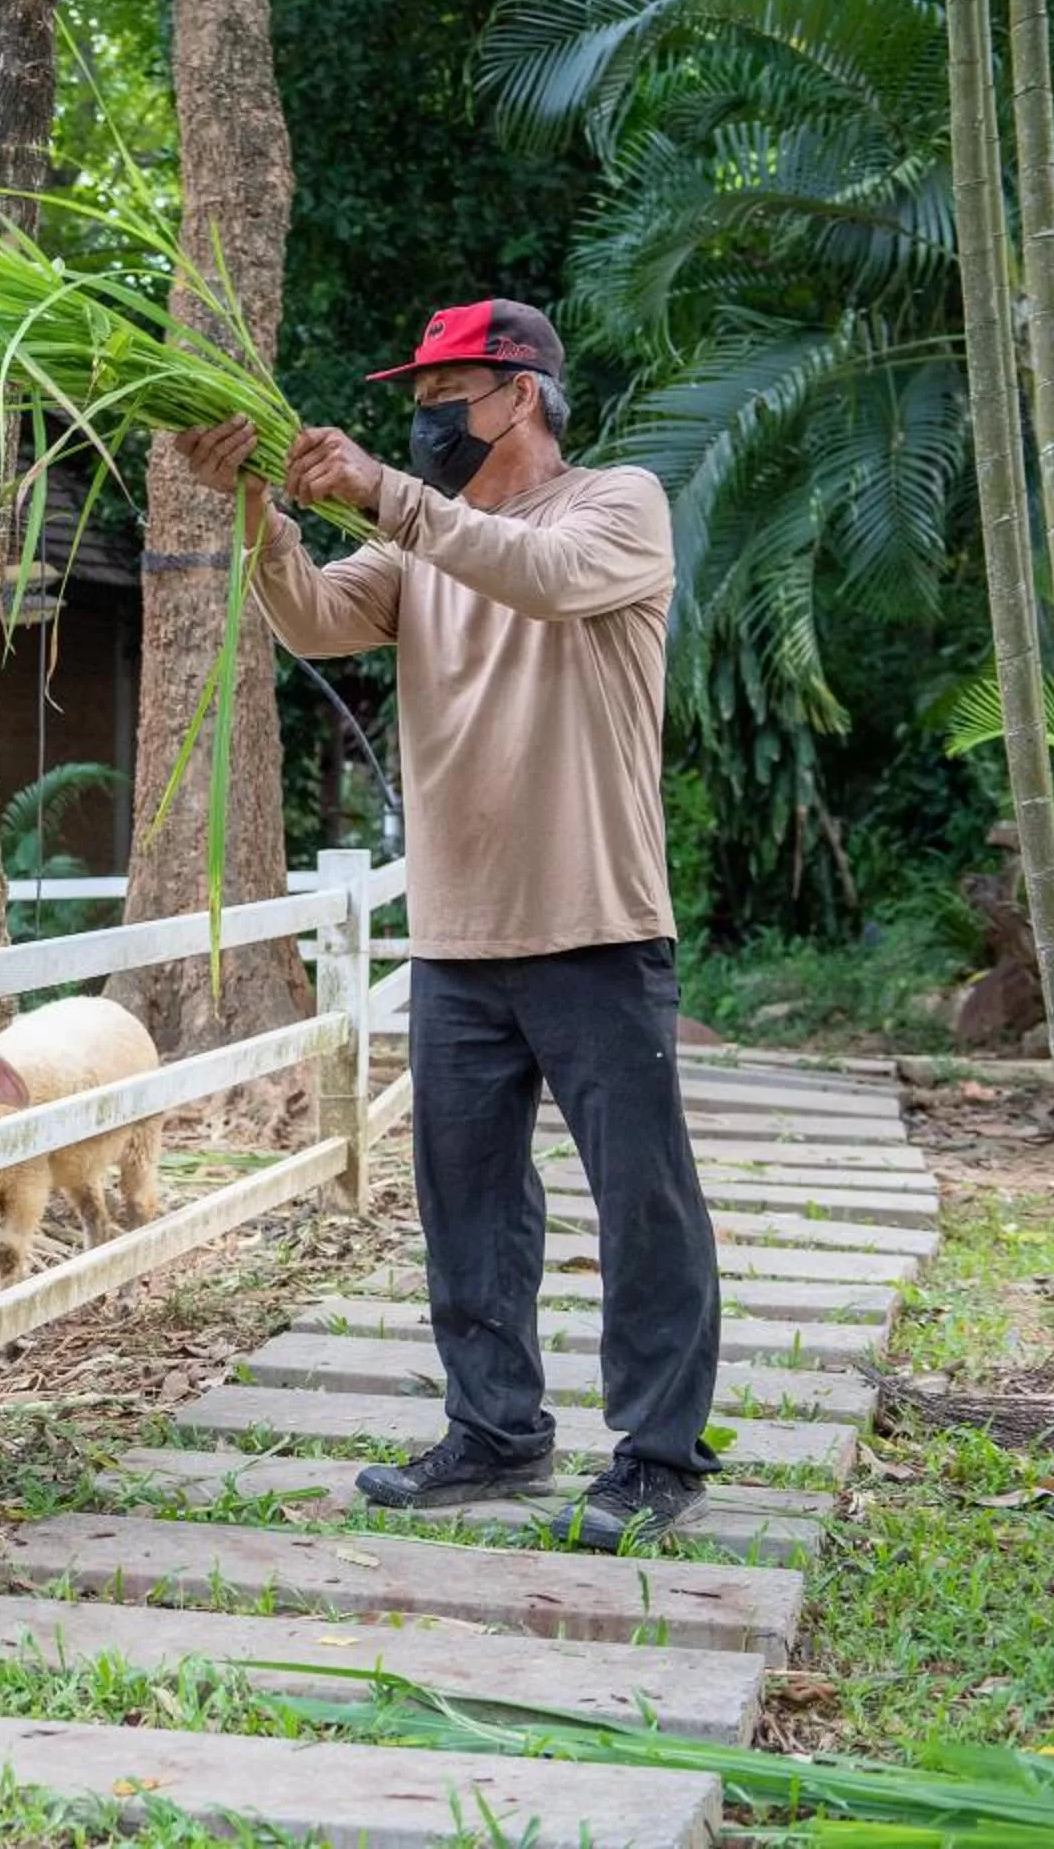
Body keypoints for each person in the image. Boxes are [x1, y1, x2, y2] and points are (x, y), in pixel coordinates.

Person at [174, 297, 722, 1550]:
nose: (422, 422)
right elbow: (312, 616)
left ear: (520, 394)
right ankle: (496, 1432)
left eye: (445, 396)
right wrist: (256, 505)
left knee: (644, 1201)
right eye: (414, 402)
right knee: (466, 1199)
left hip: (594, 923)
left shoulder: (616, 506)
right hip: (461, 937)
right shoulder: (422, 551)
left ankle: (657, 1456)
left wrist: (383, 495)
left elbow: (542, 575)